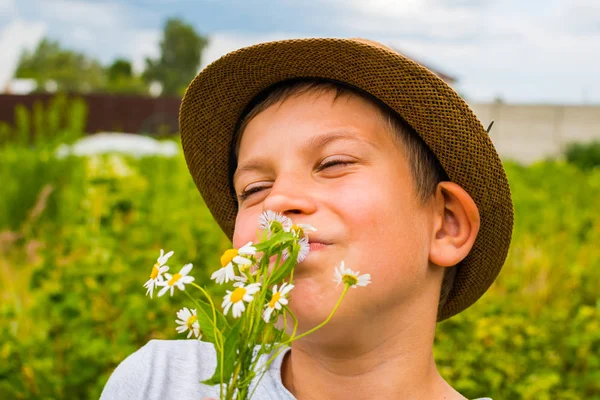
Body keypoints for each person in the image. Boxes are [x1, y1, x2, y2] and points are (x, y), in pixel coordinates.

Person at [100, 38, 513, 400]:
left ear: (446, 225)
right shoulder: (161, 381)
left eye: (333, 163)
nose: (277, 201)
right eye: (253, 189)